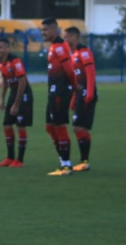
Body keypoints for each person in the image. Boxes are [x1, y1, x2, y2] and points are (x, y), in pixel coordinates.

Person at [40, 17, 76, 176]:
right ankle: (63, 162)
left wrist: (75, 88)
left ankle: (66, 166)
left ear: (55, 30)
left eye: (46, 29)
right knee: (49, 127)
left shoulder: (60, 46)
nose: (43, 32)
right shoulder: (54, 46)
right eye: (42, 30)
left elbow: (69, 69)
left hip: (60, 92)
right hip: (54, 91)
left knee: (59, 126)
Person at [0, 37, 32, 167]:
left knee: (20, 125)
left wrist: (16, 104)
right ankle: (10, 157)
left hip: (23, 94)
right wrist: (2, 99)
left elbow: (23, 82)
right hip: (13, 93)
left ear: (7, 49)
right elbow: (5, 81)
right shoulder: (0, 62)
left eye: (0, 47)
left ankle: (19, 160)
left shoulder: (15, 61)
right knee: (7, 124)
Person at [64, 26, 97, 171]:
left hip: (86, 94)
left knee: (78, 127)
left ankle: (85, 161)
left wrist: (89, 92)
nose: (65, 40)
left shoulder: (84, 52)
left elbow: (90, 72)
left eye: (67, 37)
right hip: (79, 94)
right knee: (79, 128)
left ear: (75, 37)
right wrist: (73, 98)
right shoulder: (73, 54)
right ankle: (84, 161)